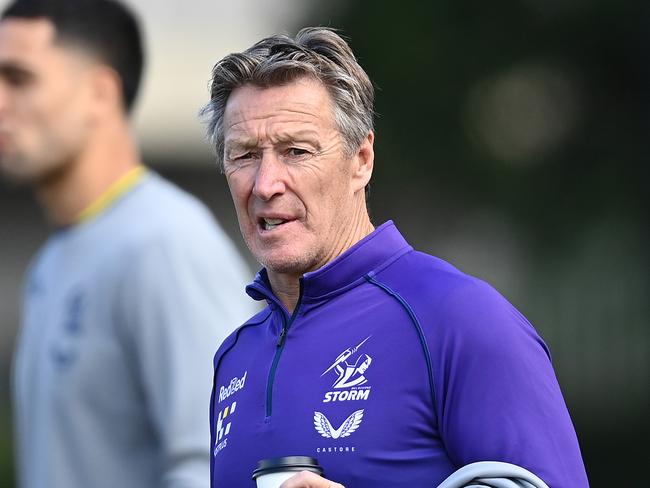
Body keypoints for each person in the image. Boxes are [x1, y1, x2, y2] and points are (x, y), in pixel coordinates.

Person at [200, 28, 589, 488]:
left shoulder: (461, 318)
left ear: (361, 159)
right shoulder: (235, 355)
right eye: (244, 155)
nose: (265, 184)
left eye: (296, 151)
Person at [0, 1, 256, 487]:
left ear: (100, 93)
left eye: (19, 79)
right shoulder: (50, 264)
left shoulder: (166, 244)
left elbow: (219, 463)